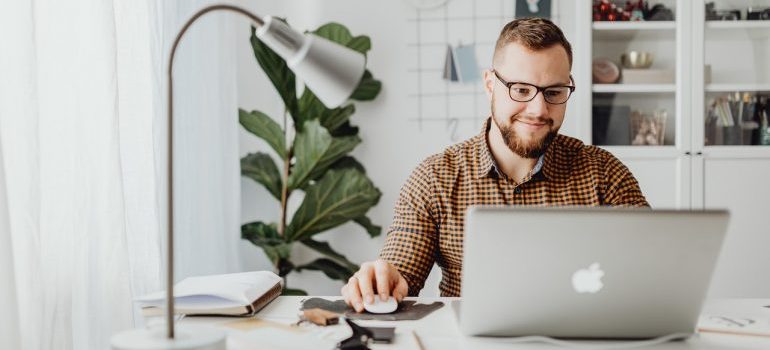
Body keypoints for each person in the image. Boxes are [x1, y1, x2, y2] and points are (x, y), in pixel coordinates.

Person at [341, 18, 649, 312]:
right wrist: (382, 280)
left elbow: (654, 269)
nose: (538, 109)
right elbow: (401, 271)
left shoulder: (605, 173)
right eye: (521, 89)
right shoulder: (435, 178)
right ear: (490, 84)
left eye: (554, 92)